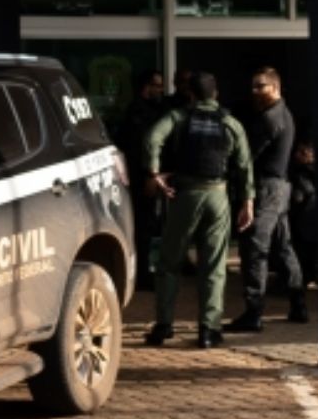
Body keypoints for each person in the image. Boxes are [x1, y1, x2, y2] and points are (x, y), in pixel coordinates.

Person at [142, 72, 255, 349]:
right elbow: (244, 165)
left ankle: (163, 326)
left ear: (190, 94)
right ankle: (208, 330)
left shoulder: (178, 117)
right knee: (214, 266)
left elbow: (151, 139)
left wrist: (154, 172)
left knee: (169, 263)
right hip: (218, 196)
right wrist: (247, 201)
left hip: (186, 197)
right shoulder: (230, 123)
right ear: (215, 94)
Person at [231, 67, 306, 331]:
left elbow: (247, 157)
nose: (255, 91)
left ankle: (254, 313)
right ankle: (298, 304)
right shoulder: (284, 113)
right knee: (283, 246)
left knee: (255, 248)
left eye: (260, 86)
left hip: (266, 189)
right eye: (253, 85)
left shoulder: (269, 119)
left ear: (275, 87)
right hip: (280, 188)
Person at [114, 71, 168, 280]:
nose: (161, 90)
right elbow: (139, 148)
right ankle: (142, 274)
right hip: (141, 177)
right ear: (146, 87)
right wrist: (149, 175)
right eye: (157, 86)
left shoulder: (151, 109)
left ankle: (143, 271)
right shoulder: (138, 112)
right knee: (142, 227)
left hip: (145, 176)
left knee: (147, 225)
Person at [288, 139, 318, 287]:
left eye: (302, 152)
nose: (297, 155)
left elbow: (298, 197)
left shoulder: (300, 174)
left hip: (305, 221)